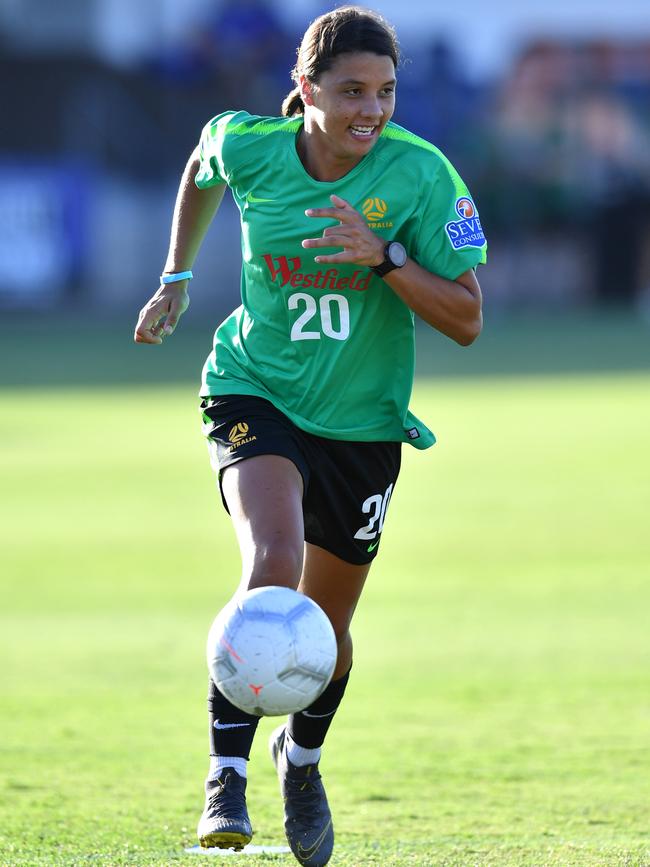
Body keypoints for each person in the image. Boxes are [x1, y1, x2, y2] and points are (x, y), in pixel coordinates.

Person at [134, 6, 487, 865]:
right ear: (306, 89)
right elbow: (201, 163)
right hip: (255, 387)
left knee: (326, 631)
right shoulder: (253, 145)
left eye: (386, 92)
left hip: (363, 424)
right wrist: (175, 275)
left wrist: (386, 258)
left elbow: (470, 318)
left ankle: (303, 759)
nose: (372, 109)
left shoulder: (422, 177)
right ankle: (225, 773)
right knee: (272, 563)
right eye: (352, 90)